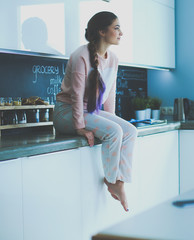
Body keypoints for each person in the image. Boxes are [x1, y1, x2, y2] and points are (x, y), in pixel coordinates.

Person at [53, 11, 137, 212]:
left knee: (130, 131)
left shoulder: (113, 58)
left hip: (92, 112)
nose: (121, 33)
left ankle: (120, 181)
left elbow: (108, 96)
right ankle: (111, 180)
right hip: (66, 113)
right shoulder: (80, 55)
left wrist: (113, 118)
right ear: (101, 31)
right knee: (114, 132)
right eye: (116, 28)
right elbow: (76, 95)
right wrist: (79, 126)